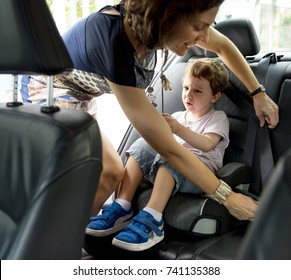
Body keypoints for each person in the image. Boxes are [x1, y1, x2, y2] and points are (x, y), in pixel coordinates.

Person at [22, 0, 278, 222]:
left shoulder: (154, 28)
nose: (204, 37)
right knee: (109, 171)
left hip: (82, 98)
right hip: (47, 89)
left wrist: (258, 94)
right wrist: (229, 198)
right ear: (169, 14)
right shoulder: (115, 42)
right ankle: (59, 251)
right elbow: (168, 149)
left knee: (96, 175)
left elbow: (222, 46)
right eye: (200, 26)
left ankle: (70, 240)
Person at [86, 58, 231, 251]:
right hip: (170, 165)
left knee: (173, 157)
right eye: (186, 88)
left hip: (199, 174)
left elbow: (207, 144)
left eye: (197, 91)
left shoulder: (217, 118)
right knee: (142, 145)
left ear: (214, 96)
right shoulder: (179, 115)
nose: (188, 95)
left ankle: (153, 218)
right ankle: (122, 206)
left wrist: (177, 130)